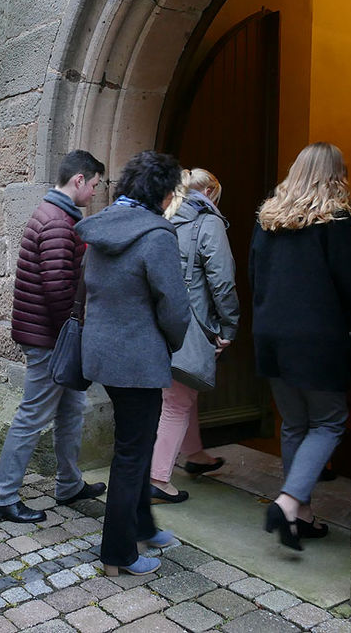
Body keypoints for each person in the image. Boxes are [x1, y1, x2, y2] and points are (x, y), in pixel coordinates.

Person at [250, 142, 351, 550]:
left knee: (294, 425)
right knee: (329, 423)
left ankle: (301, 516)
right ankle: (289, 502)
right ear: (335, 174)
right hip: (318, 340)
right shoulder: (335, 220)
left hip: (272, 337)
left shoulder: (267, 220)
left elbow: (256, 280)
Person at [75, 150, 190, 576]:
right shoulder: (157, 234)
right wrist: (172, 343)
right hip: (139, 359)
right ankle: (118, 553)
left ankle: (142, 524)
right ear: (162, 194)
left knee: (134, 448)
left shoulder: (103, 226)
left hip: (104, 353)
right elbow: (174, 307)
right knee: (131, 454)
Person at [0, 150, 107, 524]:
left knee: (71, 408)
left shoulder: (57, 214)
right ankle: (2, 496)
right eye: (95, 186)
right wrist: (75, 333)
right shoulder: (58, 222)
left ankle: (68, 484)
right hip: (49, 339)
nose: (95, 194)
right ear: (79, 181)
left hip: (50, 335)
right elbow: (58, 290)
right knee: (32, 415)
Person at [150, 169, 239, 503]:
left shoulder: (163, 219)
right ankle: (157, 480)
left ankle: (196, 455)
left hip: (160, 321)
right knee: (176, 401)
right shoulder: (208, 221)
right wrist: (229, 327)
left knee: (180, 392)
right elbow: (222, 280)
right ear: (211, 191)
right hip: (192, 325)